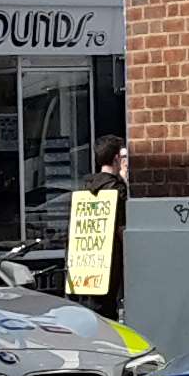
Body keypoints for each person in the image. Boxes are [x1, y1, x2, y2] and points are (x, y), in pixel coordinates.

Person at [74, 135, 128, 319]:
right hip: (110, 264)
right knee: (108, 315)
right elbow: (121, 227)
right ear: (116, 159)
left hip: (85, 266)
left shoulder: (86, 188)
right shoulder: (117, 189)